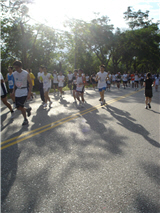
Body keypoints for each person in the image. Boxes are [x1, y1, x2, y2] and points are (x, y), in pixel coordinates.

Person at [12, 61, 32, 125]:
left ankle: (25, 119)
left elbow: (30, 84)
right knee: (18, 107)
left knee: (20, 105)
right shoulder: (14, 73)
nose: (16, 69)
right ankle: (27, 110)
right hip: (18, 91)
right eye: (15, 68)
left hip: (24, 91)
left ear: (21, 67)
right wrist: (13, 91)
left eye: (17, 68)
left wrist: (29, 93)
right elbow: (15, 83)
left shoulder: (26, 73)